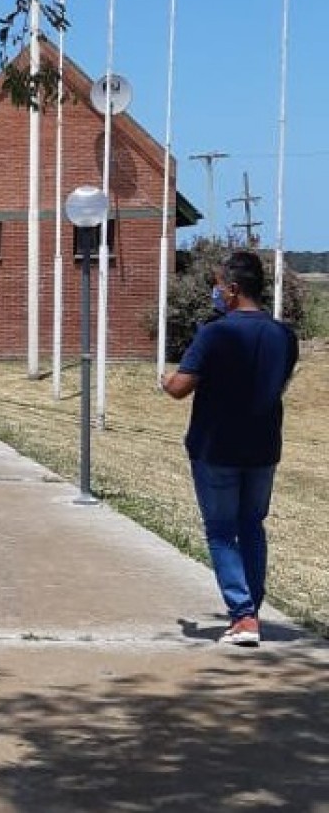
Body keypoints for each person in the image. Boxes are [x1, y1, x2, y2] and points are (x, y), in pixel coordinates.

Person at [160, 250, 299, 647]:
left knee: (221, 531)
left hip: (216, 446)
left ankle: (242, 617)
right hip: (263, 446)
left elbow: (179, 388)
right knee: (251, 525)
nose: (215, 292)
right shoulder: (284, 336)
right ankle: (251, 609)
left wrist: (165, 381)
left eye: (219, 285)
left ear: (234, 289)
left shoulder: (215, 332)